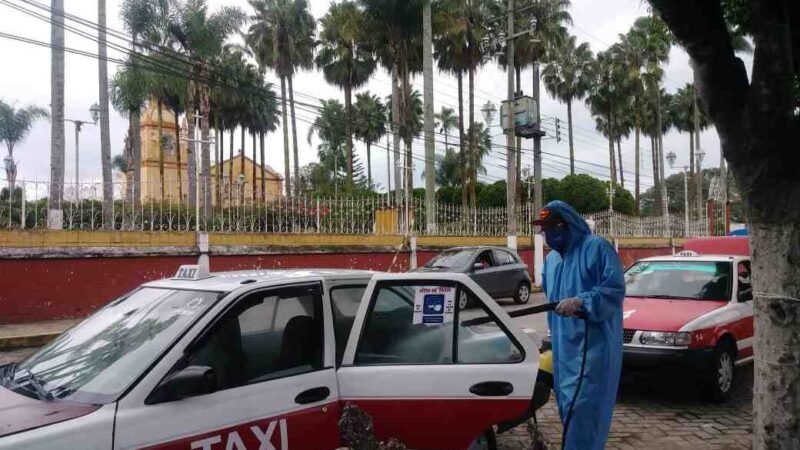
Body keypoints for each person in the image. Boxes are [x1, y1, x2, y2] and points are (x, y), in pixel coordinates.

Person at [533, 200, 625, 450]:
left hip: (594, 349)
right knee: (568, 408)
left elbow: (614, 290)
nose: (548, 234)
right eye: (544, 229)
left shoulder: (597, 248)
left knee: (585, 412)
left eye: (553, 227)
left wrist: (582, 302)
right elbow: (551, 299)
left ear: (568, 225)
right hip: (564, 350)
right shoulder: (552, 261)